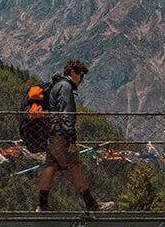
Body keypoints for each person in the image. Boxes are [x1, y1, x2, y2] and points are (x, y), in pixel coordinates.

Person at [37, 59, 112, 212]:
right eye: (81, 75)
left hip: (52, 135)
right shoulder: (65, 87)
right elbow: (67, 115)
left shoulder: (56, 86)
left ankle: (42, 205)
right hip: (62, 136)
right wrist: (71, 141)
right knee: (75, 167)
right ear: (72, 73)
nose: (81, 80)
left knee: (50, 167)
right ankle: (92, 204)